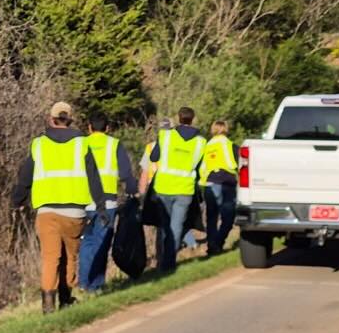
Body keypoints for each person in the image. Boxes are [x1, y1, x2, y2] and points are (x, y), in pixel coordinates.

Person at [11, 101, 106, 313]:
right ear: (70, 120)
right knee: (70, 257)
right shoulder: (82, 143)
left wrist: (17, 201)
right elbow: (94, 178)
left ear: (50, 119)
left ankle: (47, 304)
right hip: (74, 212)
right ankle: (65, 298)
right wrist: (100, 206)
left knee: (50, 257)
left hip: (46, 211)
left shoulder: (39, 144)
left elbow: (25, 177)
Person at [140, 107, 206, 273]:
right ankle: (169, 264)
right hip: (185, 190)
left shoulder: (166, 136)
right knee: (176, 228)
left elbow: (154, 157)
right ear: (193, 119)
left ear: (178, 118)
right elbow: (199, 168)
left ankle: (162, 262)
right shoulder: (201, 142)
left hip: (164, 187)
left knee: (164, 226)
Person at [78, 112, 136, 293]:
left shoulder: (80, 144)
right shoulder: (114, 144)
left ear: (89, 127)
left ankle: (82, 283)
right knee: (101, 244)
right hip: (108, 202)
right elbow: (126, 173)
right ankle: (96, 285)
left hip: (84, 201)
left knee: (86, 243)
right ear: (108, 128)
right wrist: (132, 191)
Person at [200, 120, 239, 255]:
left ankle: (212, 245)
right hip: (226, 184)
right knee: (228, 218)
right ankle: (218, 242)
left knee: (211, 218)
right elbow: (239, 164)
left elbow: (201, 167)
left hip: (209, 184)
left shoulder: (206, 146)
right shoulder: (230, 145)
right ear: (225, 129)